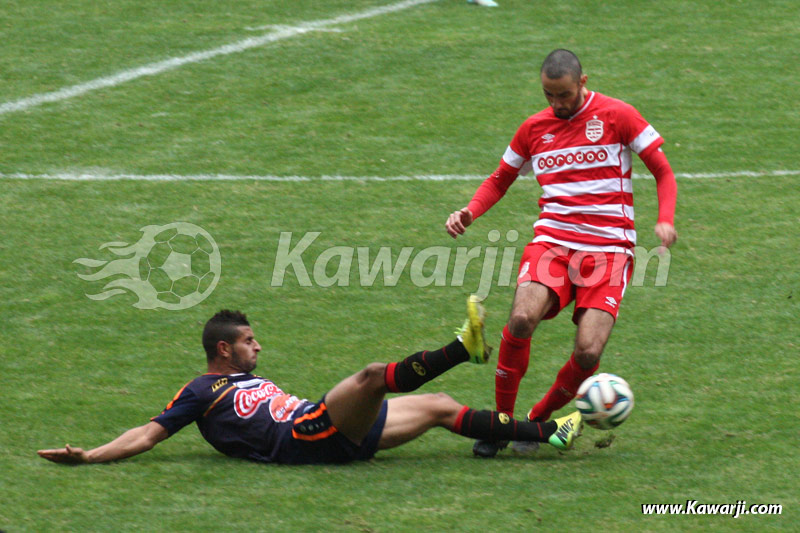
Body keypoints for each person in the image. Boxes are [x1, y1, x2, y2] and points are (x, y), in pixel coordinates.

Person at [445, 49, 678, 457]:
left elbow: (662, 170)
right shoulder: (533, 128)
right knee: (520, 319)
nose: (557, 103)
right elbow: (500, 179)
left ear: (583, 81)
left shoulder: (618, 115)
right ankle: (502, 423)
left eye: (565, 95)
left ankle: (536, 420)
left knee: (588, 351)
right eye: (549, 95)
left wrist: (665, 218)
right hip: (553, 242)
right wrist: (470, 211)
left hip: (609, 250)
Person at [37, 297, 582, 466]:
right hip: (300, 438)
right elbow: (149, 433)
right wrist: (89, 457)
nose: (259, 347)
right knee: (372, 377)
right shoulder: (200, 391)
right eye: (250, 341)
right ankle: (464, 347)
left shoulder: (243, 382)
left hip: (325, 432)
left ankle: (549, 433)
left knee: (439, 405)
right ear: (223, 349)